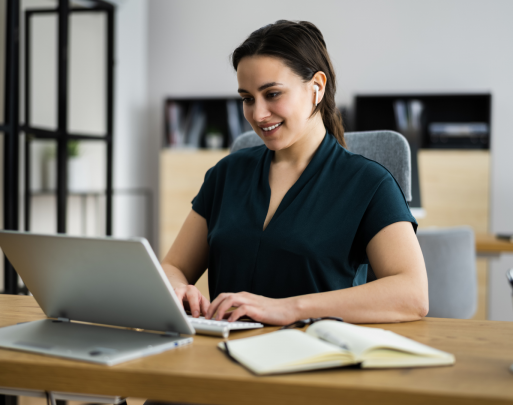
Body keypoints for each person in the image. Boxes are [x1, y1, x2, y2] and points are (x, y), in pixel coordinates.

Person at [161, 20, 428, 327]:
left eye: (272, 94)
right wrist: (177, 288)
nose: (258, 114)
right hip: (223, 355)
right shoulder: (226, 174)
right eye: (248, 99)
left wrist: (289, 309)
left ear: (317, 87)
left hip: (316, 360)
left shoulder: (370, 184)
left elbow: (413, 295)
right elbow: (173, 266)